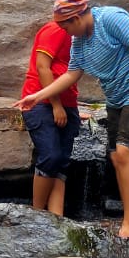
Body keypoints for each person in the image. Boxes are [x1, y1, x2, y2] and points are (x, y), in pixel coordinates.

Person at [14, 0, 129, 239]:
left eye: (65, 26)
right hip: (116, 97)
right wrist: (37, 96)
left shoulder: (111, 19)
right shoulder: (79, 42)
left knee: (125, 152)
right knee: (116, 156)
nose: (64, 32)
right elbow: (71, 75)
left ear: (76, 18)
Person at [20, 19, 82, 216]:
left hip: (68, 104)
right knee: (51, 156)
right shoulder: (56, 29)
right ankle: (36, 215)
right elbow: (42, 67)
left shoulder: (79, 35)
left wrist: (70, 107)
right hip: (42, 103)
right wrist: (56, 105)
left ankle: (57, 220)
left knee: (61, 162)